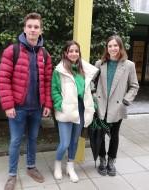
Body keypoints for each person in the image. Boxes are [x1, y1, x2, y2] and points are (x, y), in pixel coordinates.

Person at [0, 13, 52, 190]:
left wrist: (48, 104)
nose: (33, 30)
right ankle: (12, 175)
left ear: (40, 30)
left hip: (37, 108)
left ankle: (31, 167)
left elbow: (48, 81)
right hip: (18, 108)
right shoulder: (12, 51)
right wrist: (8, 106)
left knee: (33, 139)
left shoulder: (45, 54)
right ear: (24, 28)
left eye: (36, 27)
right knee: (15, 141)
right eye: (30, 26)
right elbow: (3, 79)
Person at [51, 40, 98, 182]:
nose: (73, 53)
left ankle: (70, 167)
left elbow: (89, 90)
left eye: (76, 51)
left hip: (81, 109)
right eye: (70, 51)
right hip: (66, 109)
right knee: (64, 143)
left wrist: (92, 103)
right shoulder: (59, 70)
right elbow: (54, 90)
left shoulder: (84, 70)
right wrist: (60, 104)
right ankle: (58, 164)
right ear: (65, 53)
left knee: (74, 141)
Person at [94, 35, 139, 176]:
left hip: (117, 106)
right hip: (101, 105)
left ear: (120, 47)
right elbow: (91, 82)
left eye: (115, 45)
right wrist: (94, 95)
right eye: (110, 46)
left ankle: (111, 161)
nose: (113, 48)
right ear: (106, 48)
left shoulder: (128, 65)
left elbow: (134, 86)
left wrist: (126, 100)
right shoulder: (99, 63)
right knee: (100, 134)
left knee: (114, 135)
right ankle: (102, 160)